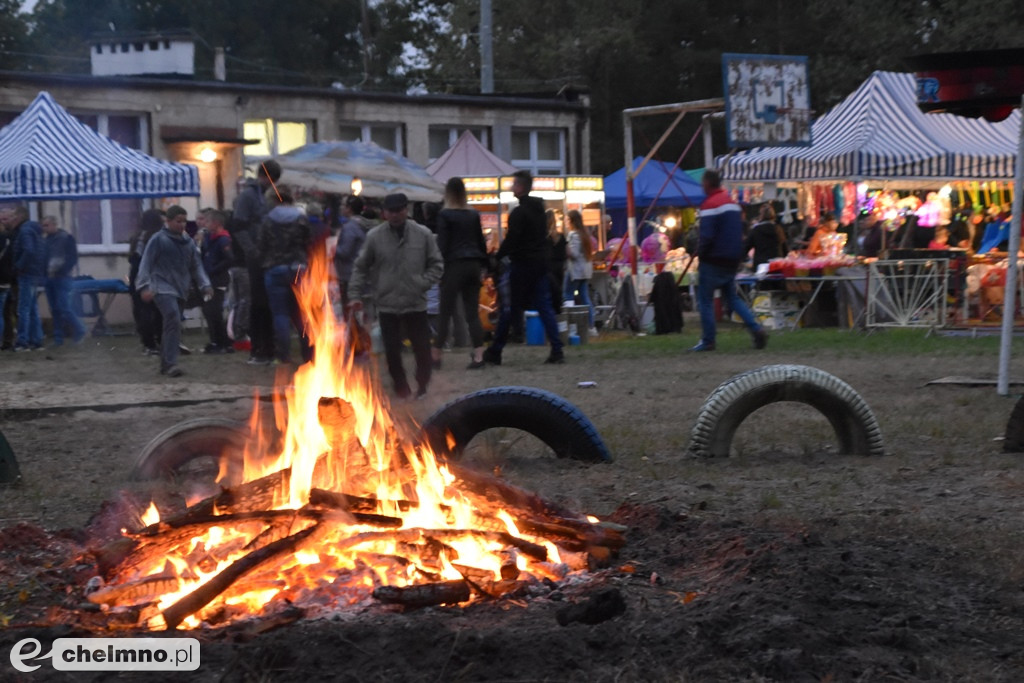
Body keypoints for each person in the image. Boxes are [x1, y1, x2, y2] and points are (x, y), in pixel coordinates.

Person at [349, 193, 443, 399]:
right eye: (391, 211)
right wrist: (354, 295)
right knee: (391, 351)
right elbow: (360, 267)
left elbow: (436, 264)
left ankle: (423, 385)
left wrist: (422, 283)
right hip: (387, 303)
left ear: (406, 210)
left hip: (415, 302)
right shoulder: (375, 236)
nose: (395, 215)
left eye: (399, 210)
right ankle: (401, 387)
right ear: (384, 213)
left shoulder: (423, 234)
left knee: (422, 349)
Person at [483, 170, 564, 365]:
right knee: (544, 306)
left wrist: (498, 256)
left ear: (520, 187)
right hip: (540, 265)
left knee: (509, 308)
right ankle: (557, 348)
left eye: (514, 184)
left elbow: (512, 239)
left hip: (522, 265)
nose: (512, 187)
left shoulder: (519, 213)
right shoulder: (539, 211)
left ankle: (496, 350)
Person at [691, 170, 766, 352]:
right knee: (732, 298)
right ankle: (755, 328)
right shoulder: (733, 204)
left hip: (713, 259)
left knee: (706, 300)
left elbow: (707, 236)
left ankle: (708, 340)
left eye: (703, 182)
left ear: (708, 183)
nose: (702, 186)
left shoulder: (709, 205)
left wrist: (700, 252)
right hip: (731, 259)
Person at [136, 205, 213, 377]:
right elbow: (146, 263)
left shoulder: (189, 243)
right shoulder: (158, 240)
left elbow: (196, 266)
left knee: (172, 324)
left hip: (181, 288)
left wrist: (205, 285)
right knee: (173, 317)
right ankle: (171, 364)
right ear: (168, 221)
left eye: (184, 221)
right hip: (161, 287)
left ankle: (166, 363)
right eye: (178, 221)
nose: (182, 225)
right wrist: (144, 286)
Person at [434, 177, 488, 370]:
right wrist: (485, 265)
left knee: (445, 312)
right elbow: (481, 241)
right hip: (473, 265)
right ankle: (479, 356)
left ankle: (436, 355)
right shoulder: (473, 214)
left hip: (454, 266)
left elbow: (443, 244)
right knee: (472, 313)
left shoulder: (445, 214)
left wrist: (437, 268)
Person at [231, 159, 281, 365]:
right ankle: (258, 350)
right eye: (273, 180)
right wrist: (252, 251)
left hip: (269, 257)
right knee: (257, 303)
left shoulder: (267, 197)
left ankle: (269, 348)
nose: (273, 184)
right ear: (266, 176)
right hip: (255, 258)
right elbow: (238, 226)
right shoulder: (248, 197)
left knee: (268, 303)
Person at [258, 186, 312, 366]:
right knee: (302, 313)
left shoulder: (267, 220)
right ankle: (308, 353)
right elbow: (309, 242)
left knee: (280, 314)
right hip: (298, 268)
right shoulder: (301, 218)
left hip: (275, 269)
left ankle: (284, 356)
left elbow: (261, 245)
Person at [41, 215, 86, 347]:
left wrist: (63, 270)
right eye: (43, 225)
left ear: (54, 225)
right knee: (54, 309)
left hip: (62, 278)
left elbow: (73, 257)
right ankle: (58, 338)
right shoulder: (46, 240)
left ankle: (80, 329)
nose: (44, 228)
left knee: (64, 307)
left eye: (46, 225)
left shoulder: (66, 238)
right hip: (49, 278)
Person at [9, 204, 46, 351]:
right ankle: (36, 340)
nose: (10, 220)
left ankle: (22, 342)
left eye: (12, 216)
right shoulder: (34, 230)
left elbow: (28, 251)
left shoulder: (24, 231)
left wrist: (18, 266)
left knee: (23, 309)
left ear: (19, 217)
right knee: (32, 309)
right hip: (34, 272)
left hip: (26, 274)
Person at [129, 209, 166, 355]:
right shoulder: (156, 237)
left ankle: (148, 343)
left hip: (136, 275)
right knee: (157, 311)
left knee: (142, 311)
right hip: (152, 275)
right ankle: (158, 342)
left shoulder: (137, 237)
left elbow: (133, 258)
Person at [200, 209, 234, 354]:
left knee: (214, 311)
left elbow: (229, 259)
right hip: (209, 280)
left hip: (218, 280)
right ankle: (215, 341)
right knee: (209, 311)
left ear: (216, 223)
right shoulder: (209, 239)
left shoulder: (223, 240)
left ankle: (222, 342)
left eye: (206, 221)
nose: (203, 223)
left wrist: (213, 269)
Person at [333, 195, 375, 307]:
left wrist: (332, 247)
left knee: (350, 310)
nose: (341, 208)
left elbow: (344, 252)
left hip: (349, 274)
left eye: (343, 205)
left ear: (349, 208)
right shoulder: (365, 224)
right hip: (364, 274)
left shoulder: (350, 227)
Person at [565, 209, 597, 336]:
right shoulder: (585, 234)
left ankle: (570, 325)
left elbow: (574, 254)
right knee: (585, 297)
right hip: (585, 270)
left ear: (572, 221)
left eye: (567, 220)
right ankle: (591, 325)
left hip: (575, 271)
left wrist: (565, 247)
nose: (566, 222)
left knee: (568, 295)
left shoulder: (574, 235)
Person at [744, 204, 788, 269]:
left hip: (761, 266)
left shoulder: (756, 230)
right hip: (777, 265)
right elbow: (785, 249)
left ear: (761, 216)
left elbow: (746, 247)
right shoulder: (779, 229)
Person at [546, 209, 567, 314]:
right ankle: (558, 314)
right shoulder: (561, 236)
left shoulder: (545, 237)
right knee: (558, 290)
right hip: (560, 266)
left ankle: (551, 314)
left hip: (549, 266)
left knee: (549, 291)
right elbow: (566, 252)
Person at [0, 212, 14, 347]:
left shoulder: (4, 239)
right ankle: (7, 340)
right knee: (6, 312)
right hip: (7, 279)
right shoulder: (9, 239)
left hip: (2, 279)